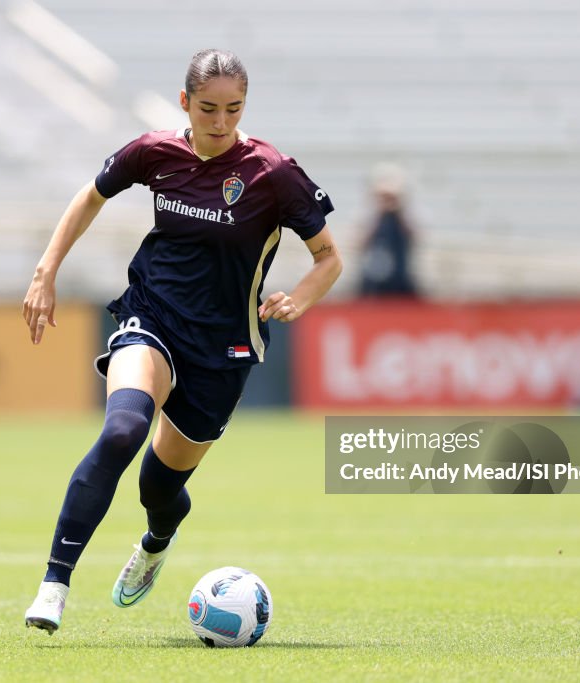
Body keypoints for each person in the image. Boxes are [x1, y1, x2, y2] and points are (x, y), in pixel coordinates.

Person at [21, 49, 342, 633]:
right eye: (209, 108)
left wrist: (301, 296)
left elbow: (329, 257)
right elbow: (91, 194)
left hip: (223, 349)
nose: (220, 122)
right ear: (184, 102)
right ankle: (54, 585)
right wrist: (47, 271)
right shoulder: (155, 152)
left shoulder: (272, 172)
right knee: (122, 430)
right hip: (153, 316)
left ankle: (156, 540)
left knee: (159, 487)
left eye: (234, 109)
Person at [358, 163, 418, 297]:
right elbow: (360, 242)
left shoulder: (406, 216)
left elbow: (414, 236)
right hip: (372, 280)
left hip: (400, 278)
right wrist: (378, 213)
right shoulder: (369, 216)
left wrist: (399, 211)